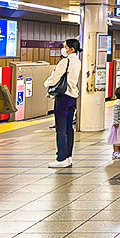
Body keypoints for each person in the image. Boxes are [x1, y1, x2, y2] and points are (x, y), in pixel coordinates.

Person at [44, 38, 81, 168]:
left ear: (71, 49)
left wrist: (47, 83)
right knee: (69, 128)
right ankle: (69, 156)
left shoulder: (65, 61)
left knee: (60, 128)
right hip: (73, 96)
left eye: (65, 46)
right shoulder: (77, 61)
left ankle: (61, 158)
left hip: (63, 96)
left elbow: (55, 77)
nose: (63, 49)